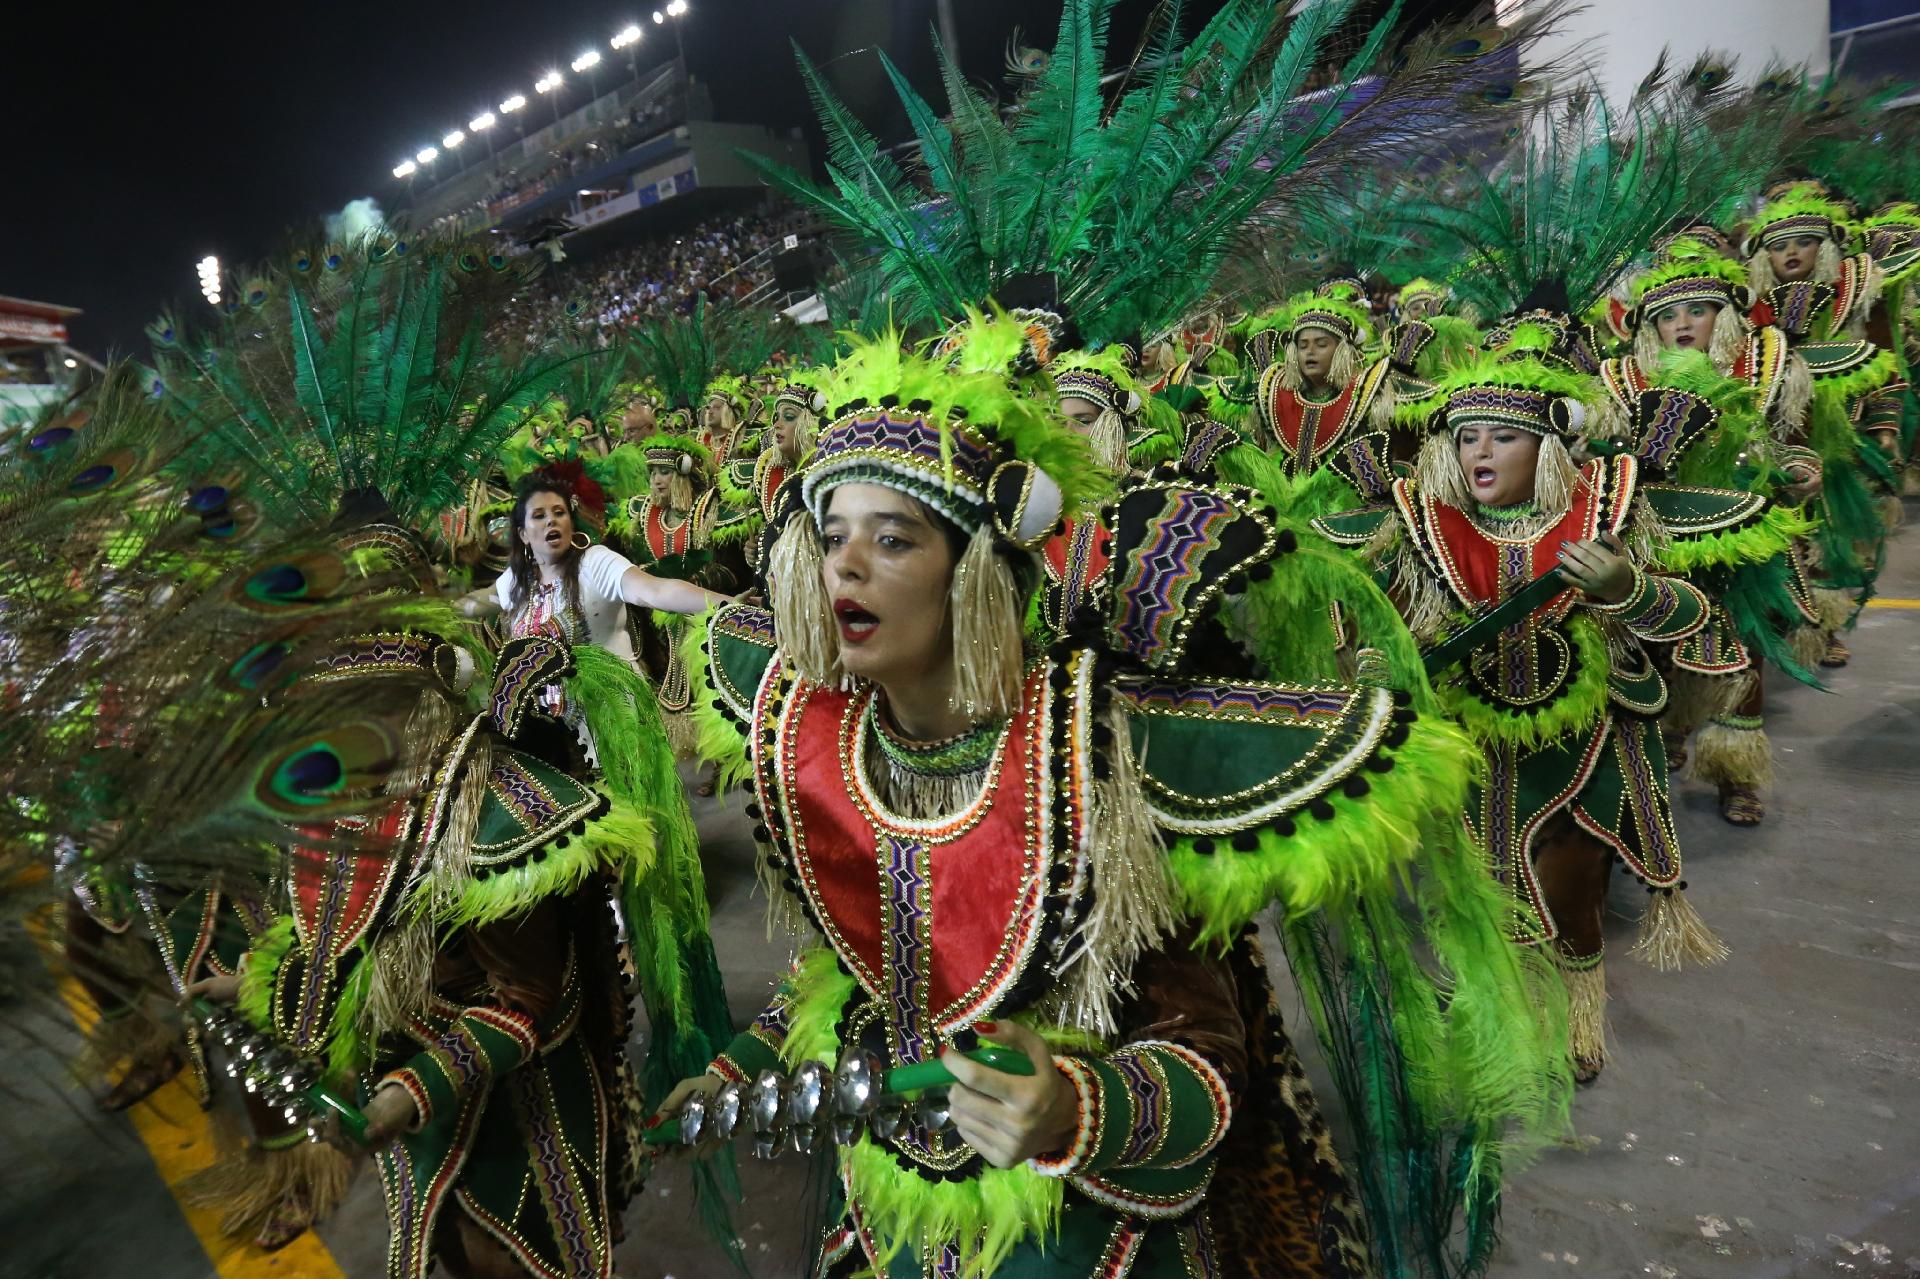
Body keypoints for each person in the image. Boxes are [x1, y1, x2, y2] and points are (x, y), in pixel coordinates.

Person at [657, 326, 1567, 1276]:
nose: (846, 566)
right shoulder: (828, 739)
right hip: (890, 1206)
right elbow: (865, 968)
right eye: (833, 536)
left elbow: (1208, 1058)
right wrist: (738, 1072)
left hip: (1075, 1231)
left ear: (975, 570)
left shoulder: (1097, 757)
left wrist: (1069, 1107)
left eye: (893, 538)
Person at [1317, 350, 1729, 1083]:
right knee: (1475, 891)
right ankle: (1494, 1007)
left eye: (1501, 437)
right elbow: (1387, 627)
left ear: (1545, 449)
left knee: (1572, 891)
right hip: (1468, 747)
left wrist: (1624, 585)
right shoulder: (1425, 529)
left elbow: (1693, 613)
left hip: (1583, 743)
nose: (1480, 450)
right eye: (1467, 436)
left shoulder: (1605, 513)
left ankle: (1577, 1013)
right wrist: (1382, 671)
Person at [1596, 234, 1825, 825]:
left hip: (1740, 531)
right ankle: (1667, 735)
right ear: (1649, 329)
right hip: (1655, 536)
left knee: (1741, 655)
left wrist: (1799, 472)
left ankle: (1735, 775)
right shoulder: (1620, 382)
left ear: (1723, 318)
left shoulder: (1768, 365)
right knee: (1650, 644)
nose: (1683, 324)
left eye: (1698, 310)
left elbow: (1791, 443)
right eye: (1667, 316)